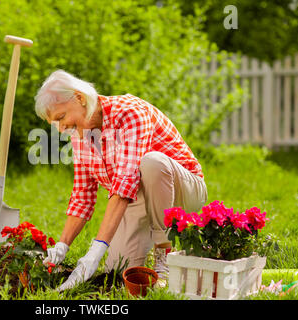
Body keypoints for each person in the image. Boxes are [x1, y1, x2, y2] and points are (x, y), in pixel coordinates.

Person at [35, 70, 207, 291]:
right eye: (54, 123)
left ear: (79, 98)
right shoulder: (80, 137)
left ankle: (164, 254)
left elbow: (125, 183)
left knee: (152, 163)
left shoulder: (129, 113)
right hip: (138, 197)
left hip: (184, 191)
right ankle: (156, 248)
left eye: (61, 118)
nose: (60, 128)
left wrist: (95, 251)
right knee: (117, 270)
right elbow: (82, 197)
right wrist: (62, 246)